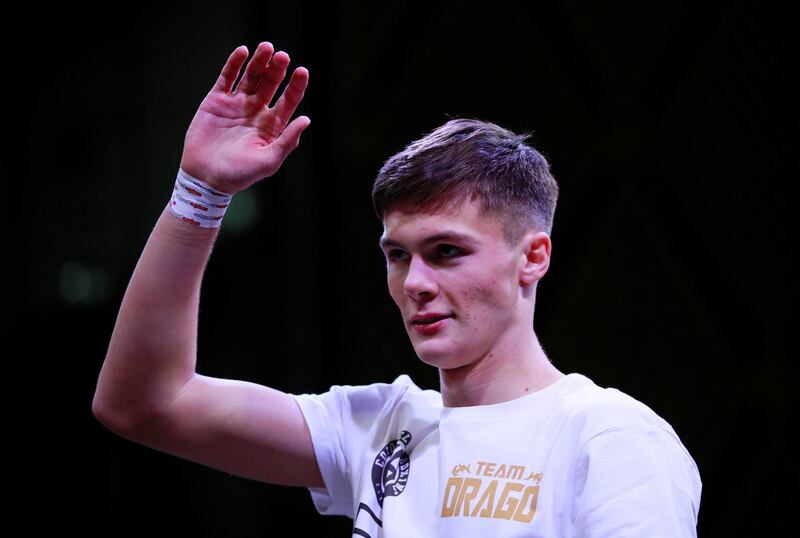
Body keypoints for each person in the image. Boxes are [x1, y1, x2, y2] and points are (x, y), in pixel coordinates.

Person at [93, 41, 701, 537]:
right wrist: (200, 192)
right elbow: (144, 403)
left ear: (533, 258)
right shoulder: (379, 427)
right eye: (396, 256)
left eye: (447, 252)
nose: (415, 283)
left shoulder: (610, 438)